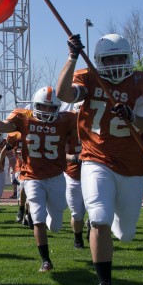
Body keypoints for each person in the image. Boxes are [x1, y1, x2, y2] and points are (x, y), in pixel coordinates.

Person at [56, 33, 143, 285]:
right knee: (98, 217)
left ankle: (105, 231)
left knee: (125, 234)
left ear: (129, 58)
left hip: (133, 167)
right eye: (108, 59)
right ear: (98, 60)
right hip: (95, 159)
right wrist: (72, 57)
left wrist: (134, 118)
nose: (114, 64)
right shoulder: (88, 77)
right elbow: (64, 94)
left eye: (119, 58)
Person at [0, 87, 77, 272]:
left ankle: (48, 222)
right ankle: (46, 260)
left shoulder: (67, 119)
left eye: (52, 108)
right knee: (38, 218)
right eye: (43, 107)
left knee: (57, 223)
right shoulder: (23, 116)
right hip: (32, 176)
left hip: (56, 176)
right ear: (35, 105)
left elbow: (87, 131)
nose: (47, 111)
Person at [64, 102, 85, 249]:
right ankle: (78, 237)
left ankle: (93, 229)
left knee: (97, 211)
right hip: (73, 175)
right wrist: (74, 157)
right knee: (77, 214)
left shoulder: (97, 128)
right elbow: (61, 153)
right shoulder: (68, 131)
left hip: (93, 175)